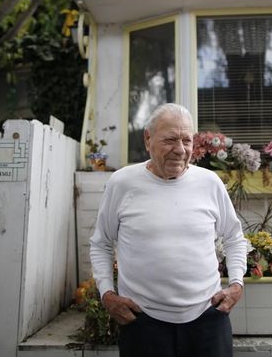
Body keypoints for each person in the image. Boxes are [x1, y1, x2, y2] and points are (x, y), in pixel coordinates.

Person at [90, 103, 247, 357]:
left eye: (187, 140)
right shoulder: (122, 183)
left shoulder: (209, 182)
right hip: (142, 324)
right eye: (170, 140)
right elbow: (101, 243)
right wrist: (107, 294)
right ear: (148, 139)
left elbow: (234, 238)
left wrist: (237, 284)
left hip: (207, 320)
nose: (180, 150)